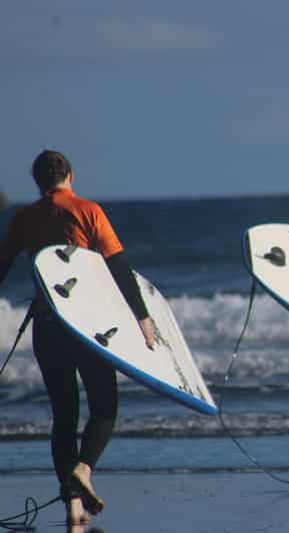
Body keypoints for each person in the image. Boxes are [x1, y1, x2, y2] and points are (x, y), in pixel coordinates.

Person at [0, 150, 156, 525]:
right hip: (88, 326)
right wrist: (143, 318)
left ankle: (72, 505)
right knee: (104, 406)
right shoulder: (88, 211)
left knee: (64, 414)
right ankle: (83, 468)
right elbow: (119, 267)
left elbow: (1, 266)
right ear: (70, 175)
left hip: (47, 324)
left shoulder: (25, 218)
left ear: (37, 181)